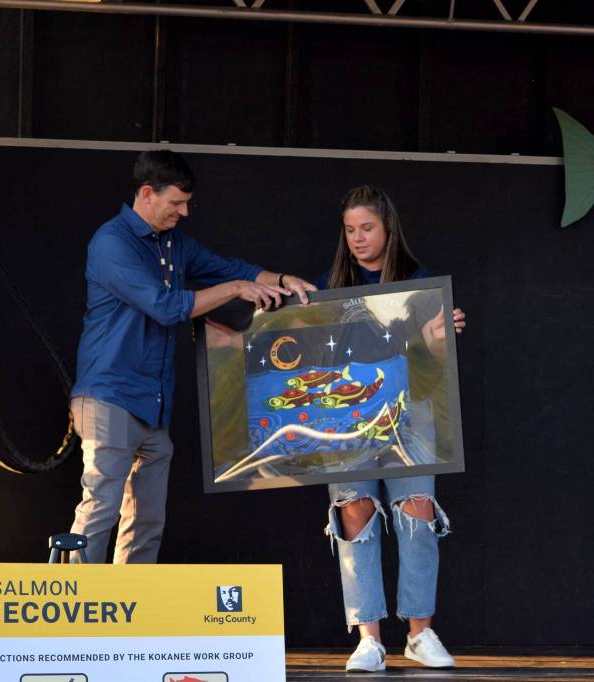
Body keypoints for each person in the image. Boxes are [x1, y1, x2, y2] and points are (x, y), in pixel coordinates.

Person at [69, 150, 316, 564]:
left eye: (187, 203)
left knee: (147, 522)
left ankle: (132, 616)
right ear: (147, 194)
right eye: (176, 203)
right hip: (109, 394)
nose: (184, 212)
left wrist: (282, 279)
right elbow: (165, 305)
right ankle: (73, 615)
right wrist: (237, 289)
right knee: (100, 508)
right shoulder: (112, 242)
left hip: (154, 403)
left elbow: (226, 266)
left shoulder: (176, 244)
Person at [319, 185, 465, 673]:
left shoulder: (418, 281)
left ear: (387, 228)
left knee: (417, 515)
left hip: (410, 412)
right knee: (354, 516)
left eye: (367, 228)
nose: (358, 238)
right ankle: (369, 637)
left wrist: (439, 335)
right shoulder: (330, 286)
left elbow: (430, 358)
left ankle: (420, 634)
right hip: (348, 414)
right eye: (350, 229)